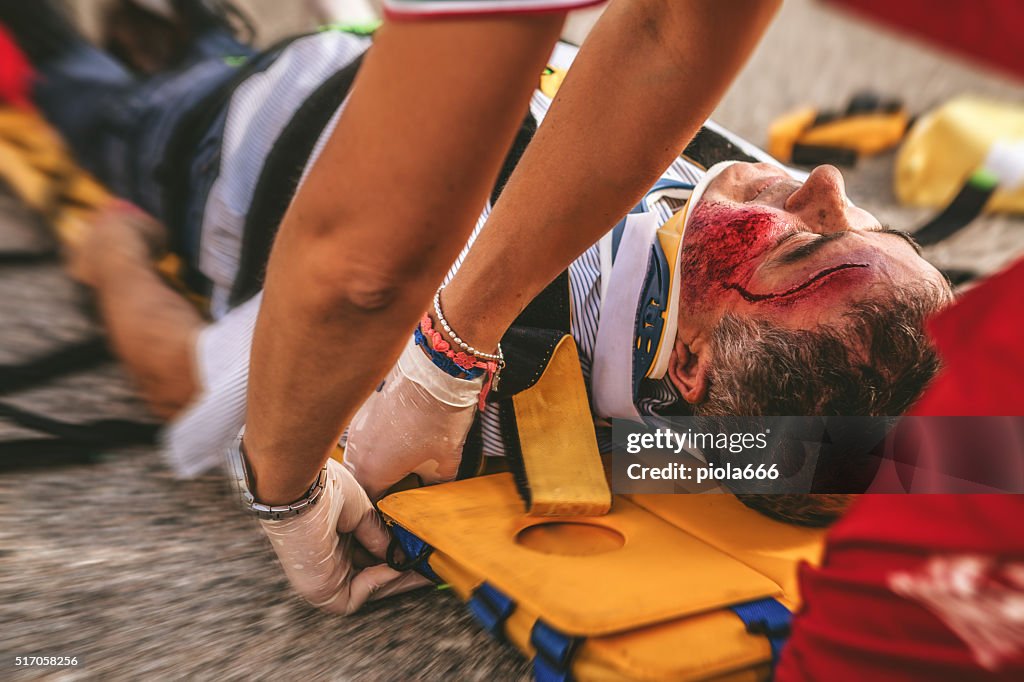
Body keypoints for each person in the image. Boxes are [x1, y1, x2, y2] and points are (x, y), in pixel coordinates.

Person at [6, 0, 947, 614]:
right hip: (389, 67)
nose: (826, 182)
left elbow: (215, 370)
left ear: (692, 364)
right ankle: (182, 37)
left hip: (224, 137)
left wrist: (111, 256)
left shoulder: (469, 352)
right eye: (874, 230)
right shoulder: (731, 303)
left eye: (806, 246)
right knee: (205, 45)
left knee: (102, 97)